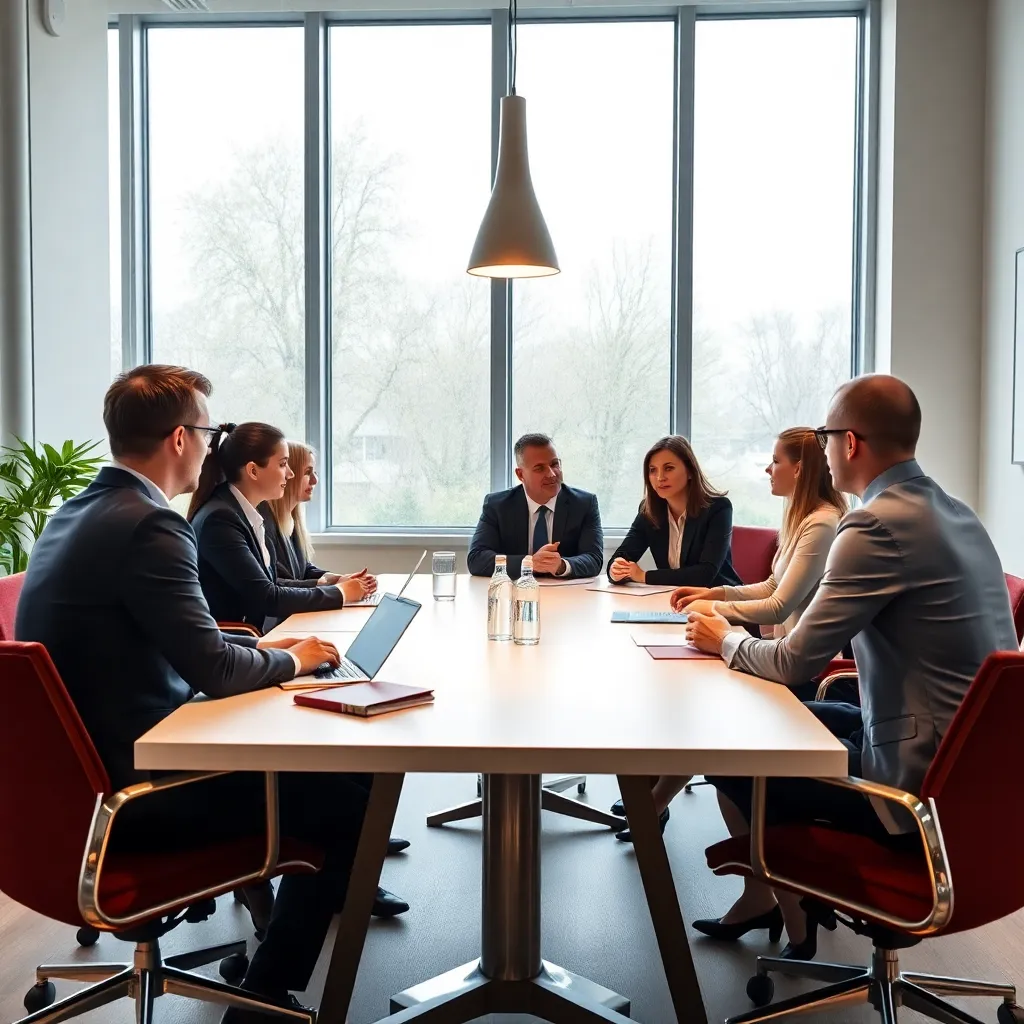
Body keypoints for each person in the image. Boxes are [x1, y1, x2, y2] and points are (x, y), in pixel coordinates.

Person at [14, 365, 395, 1022]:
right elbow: (214, 669)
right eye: (208, 431)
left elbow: (194, 644)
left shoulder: (76, 512)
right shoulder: (151, 525)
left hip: (74, 790)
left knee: (346, 776)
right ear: (181, 440)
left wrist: (273, 656)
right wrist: (294, 659)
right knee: (356, 804)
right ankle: (265, 996)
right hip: (139, 793)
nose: (213, 445)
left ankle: (281, 948)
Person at [684, 375, 1018, 961]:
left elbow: (791, 660)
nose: (823, 447)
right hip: (973, 776)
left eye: (825, 434)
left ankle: (784, 895)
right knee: (804, 719)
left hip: (917, 795)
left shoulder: (873, 525)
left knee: (729, 747)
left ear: (851, 443)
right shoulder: (960, 515)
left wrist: (725, 639)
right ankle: (781, 904)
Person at [260, 441, 412, 859]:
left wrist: (333, 578)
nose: (307, 479)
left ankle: (367, 832)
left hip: (276, 640)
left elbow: (301, 572)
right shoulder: (258, 520)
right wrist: (336, 593)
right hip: (269, 642)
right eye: (302, 470)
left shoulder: (287, 520)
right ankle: (358, 851)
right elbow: (270, 590)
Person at [673, 426, 849, 700]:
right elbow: (773, 586)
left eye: (776, 461)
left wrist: (713, 607)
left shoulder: (823, 523)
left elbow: (778, 608)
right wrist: (715, 593)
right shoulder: (803, 517)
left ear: (798, 469)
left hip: (808, 674)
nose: (769, 469)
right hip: (781, 655)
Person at [187, 423, 373, 634]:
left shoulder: (242, 513)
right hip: (238, 640)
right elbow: (268, 597)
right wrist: (340, 593)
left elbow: (272, 584)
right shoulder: (220, 519)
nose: (290, 474)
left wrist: (332, 582)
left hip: (251, 635)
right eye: (283, 464)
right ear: (253, 470)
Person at [607, 434, 741, 588]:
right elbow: (622, 557)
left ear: (690, 471)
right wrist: (615, 570)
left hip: (719, 600)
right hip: (671, 599)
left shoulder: (718, 509)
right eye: (653, 470)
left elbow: (705, 574)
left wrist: (643, 576)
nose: (659, 478)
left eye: (668, 468)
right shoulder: (648, 511)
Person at [467, 433, 604, 579]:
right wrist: (529, 563)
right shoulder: (498, 506)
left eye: (554, 464)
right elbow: (477, 559)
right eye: (540, 468)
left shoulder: (584, 504)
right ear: (521, 475)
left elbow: (594, 558)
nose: (552, 474)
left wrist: (561, 565)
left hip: (566, 594)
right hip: (515, 593)